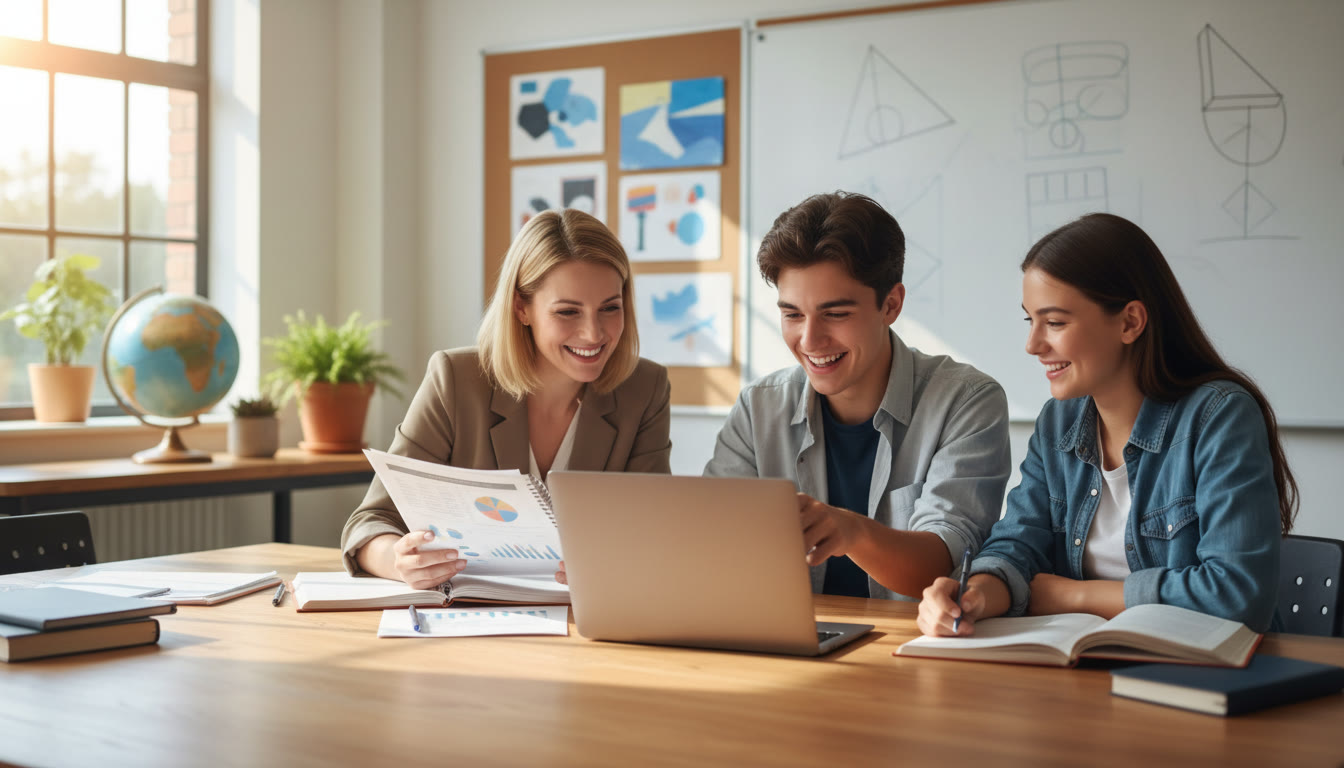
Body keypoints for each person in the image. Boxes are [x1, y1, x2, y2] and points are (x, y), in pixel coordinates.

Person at [918, 213, 1297, 636]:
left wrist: (1075, 596)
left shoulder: (1220, 417)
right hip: (1087, 671)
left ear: (1130, 322)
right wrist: (977, 594)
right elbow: (1018, 542)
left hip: (1209, 676)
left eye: (1056, 322)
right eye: (1031, 320)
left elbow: (1239, 597)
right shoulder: (1058, 423)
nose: (1033, 344)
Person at [704, 191, 1012, 601]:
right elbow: (709, 548)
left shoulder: (967, 402)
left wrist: (852, 532)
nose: (809, 340)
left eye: (835, 314)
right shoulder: (758, 408)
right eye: (792, 314)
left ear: (891, 305)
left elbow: (943, 566)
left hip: (913, 647)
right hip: (786, 642)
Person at [341, 209, 672, 588]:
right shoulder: (456, 380)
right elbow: (369, 523)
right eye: (568, 311)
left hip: (585, 623)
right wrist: (397, 560)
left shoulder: (644, 388)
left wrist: (619, 561)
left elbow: (653, 529)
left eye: (610, 308)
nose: (593, 333)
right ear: (521, 308)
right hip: (470, 619)